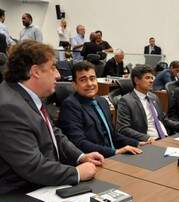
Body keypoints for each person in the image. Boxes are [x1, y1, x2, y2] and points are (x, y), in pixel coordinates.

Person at [0, 40, 104, 194]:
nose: (58, 74)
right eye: (53, 68)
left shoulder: (27, 94)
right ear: (35, 71)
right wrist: (76, 173)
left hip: (44, 182)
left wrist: (81, 156)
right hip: (20, 195)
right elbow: (32, 166)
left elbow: (53, 133)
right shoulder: (9, 107)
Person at [59, 61, 142, 158]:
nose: (90, 84)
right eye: (83, 80)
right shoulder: (70, 105)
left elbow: (113, 135)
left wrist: (137, 143)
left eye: (92, 78)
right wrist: (115, 152)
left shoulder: (102, 101)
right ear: (75, 85)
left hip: (114, 157)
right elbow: (79, 142)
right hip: (95, 160)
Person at [117, 64, 179, 142]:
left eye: (152, 78)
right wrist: (147, 138)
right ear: (136, 80)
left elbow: (163, 119)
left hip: (165, 138)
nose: (151, 81)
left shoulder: (153, 97)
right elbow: (123, 128)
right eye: (147, 78)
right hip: (148, 141)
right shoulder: (126, 101)